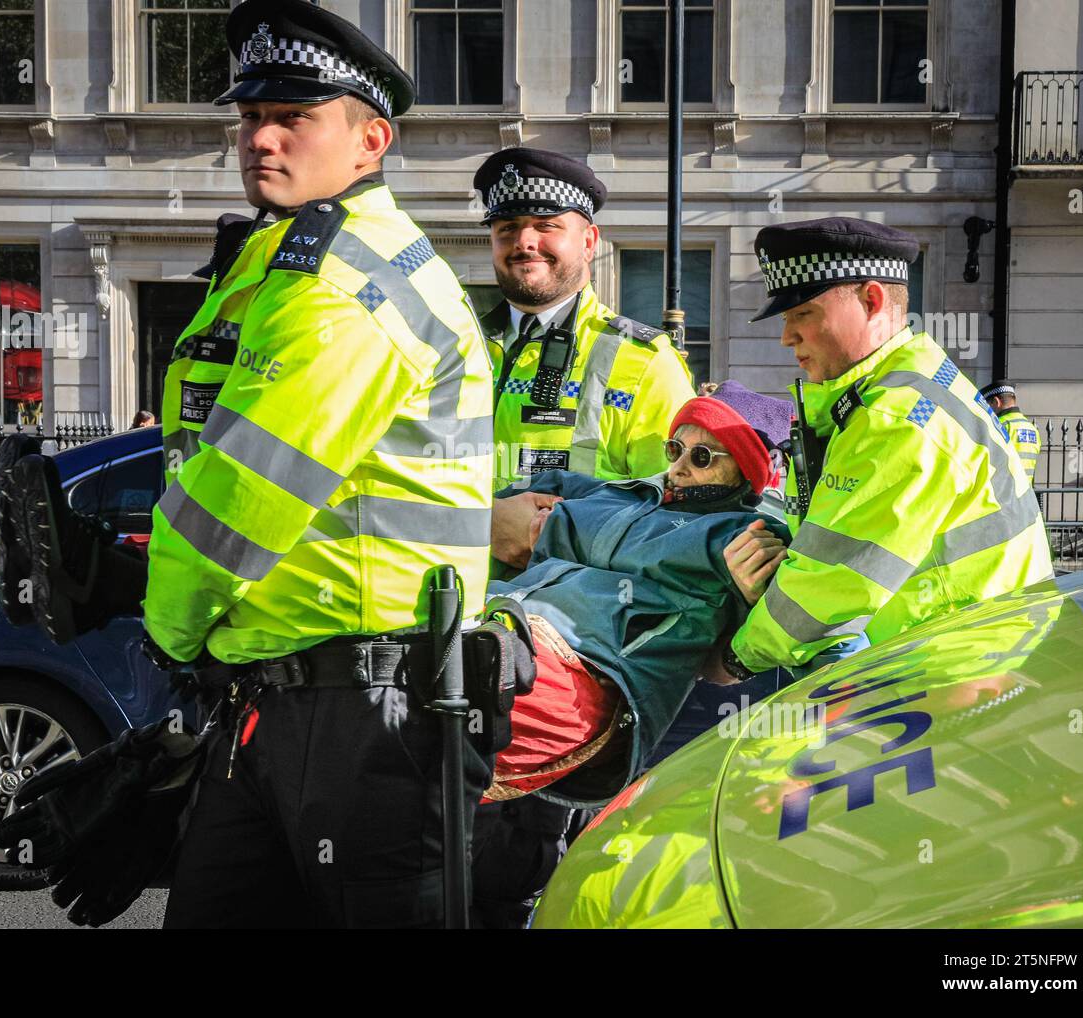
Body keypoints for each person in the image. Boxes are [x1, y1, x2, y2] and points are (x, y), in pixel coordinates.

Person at [133, 0, 495, 929]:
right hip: (292, 694)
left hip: (366, 712)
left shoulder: (343, 279)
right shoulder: (280, 256)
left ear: (371, 139)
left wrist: (163, 628)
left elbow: (242, 496)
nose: (263, 137)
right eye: (252, 117)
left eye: (296, 118)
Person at [470, 384, 793, 928]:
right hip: (502, 628)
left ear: (745, 473)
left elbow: (763, 633)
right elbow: (496, 507)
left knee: (428, 731)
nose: (681, 468)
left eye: (704, 456)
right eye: (675, 449)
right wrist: (527, 524)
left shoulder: (740, 533)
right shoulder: (614, 494)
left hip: (592, 669)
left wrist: (553, 530)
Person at [708, 217, 1054, 687]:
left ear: (871, 301)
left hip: (951, 679)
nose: (786, 336)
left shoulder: (892, 417)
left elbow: (832, 590)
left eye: (801, 314)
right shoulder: (907, 382)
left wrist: (733, 661)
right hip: (975, 662)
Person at [474, 148, 696, 490]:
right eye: (507, 228)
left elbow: (672, 504)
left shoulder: (646, 363)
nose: (523, 241)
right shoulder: (456, 345)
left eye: (546, 225)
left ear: (589, 242)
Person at [980, 379, 1041, 483]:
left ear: (996, 402)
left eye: (988, 405)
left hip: (1002, 494)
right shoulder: (1032, 428)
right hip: (1025, 494)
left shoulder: (999, 425)